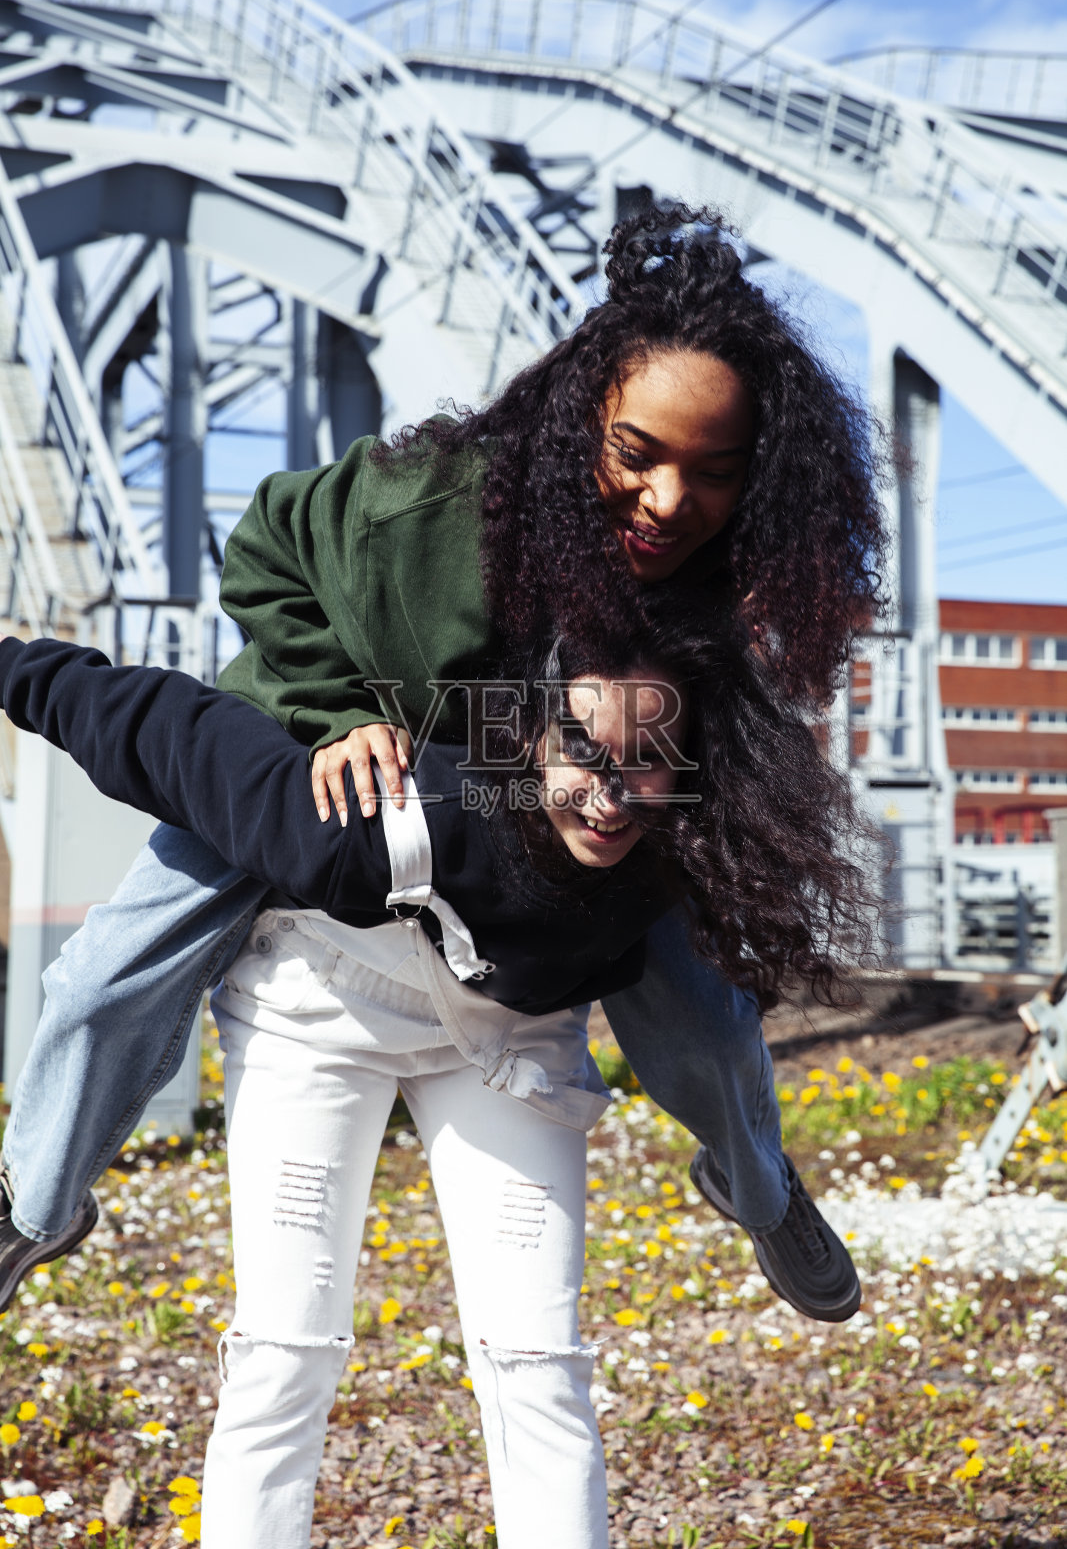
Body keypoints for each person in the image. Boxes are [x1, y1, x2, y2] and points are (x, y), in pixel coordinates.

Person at [0, 202, 885, 1323]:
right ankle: (36, 1202)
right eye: (636, 454)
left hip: (549, 784)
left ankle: (758, 1188)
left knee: (706, 1016)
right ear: (582, 418)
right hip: (336, 749)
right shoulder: (432, 506)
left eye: (713, 470)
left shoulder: (704, 571)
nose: (669, 502)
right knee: (107, 972)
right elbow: (269, 542)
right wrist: (333, 708)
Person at [0, 613, 878, 1549]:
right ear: (524, 737)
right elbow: (158, 728)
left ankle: (760, 1185)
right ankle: (36, 1199)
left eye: (648, 760)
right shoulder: (369, 818)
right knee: (282, 1356)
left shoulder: (682, 844)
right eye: (584, 753)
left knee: (539, 1363)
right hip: (318, 1006)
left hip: (508, 1036)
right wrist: (14, 668)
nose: (612, 798)